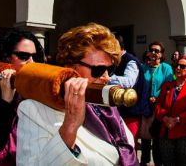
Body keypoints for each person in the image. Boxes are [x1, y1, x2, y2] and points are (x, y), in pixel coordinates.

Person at [16, 23, 137, 165]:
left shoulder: (107, 108)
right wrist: (70, 127)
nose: (106, 77)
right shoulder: (34, 109)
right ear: (70, 67)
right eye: (98, 70)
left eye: (110, 70)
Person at [0, 29, 45, 165]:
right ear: (6, 56)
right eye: (23, 56)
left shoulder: (35, 88)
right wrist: (6, 101)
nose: (31, 62)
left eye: (34, 57)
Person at [154, 56, 186, 166]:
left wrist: (177, 119)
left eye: (182, 66)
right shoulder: (167, 86)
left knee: (184, 163)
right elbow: (157, 105)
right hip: (166, 131)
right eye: (177, 65)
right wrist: (165, 117)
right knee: (168, 163)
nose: (178, 68)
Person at [109, 35, 149, 144]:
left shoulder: (130, 61)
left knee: (129, 144)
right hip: (117, 111)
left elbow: (128, 82)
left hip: (131, 113)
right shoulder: (113, 61)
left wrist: (108, 79)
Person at [141, 41, 174, 166]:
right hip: (145, 106)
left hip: (159, 107)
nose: (154, 53)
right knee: (145, 136)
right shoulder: (143, 68)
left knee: (156, 137)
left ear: (161, 54)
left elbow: (169, 86)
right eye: (152, 50)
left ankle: (158, 162)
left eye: (157, 51)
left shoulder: (166, 68)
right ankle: (144, 161)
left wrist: (157, 97)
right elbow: (140, 86)